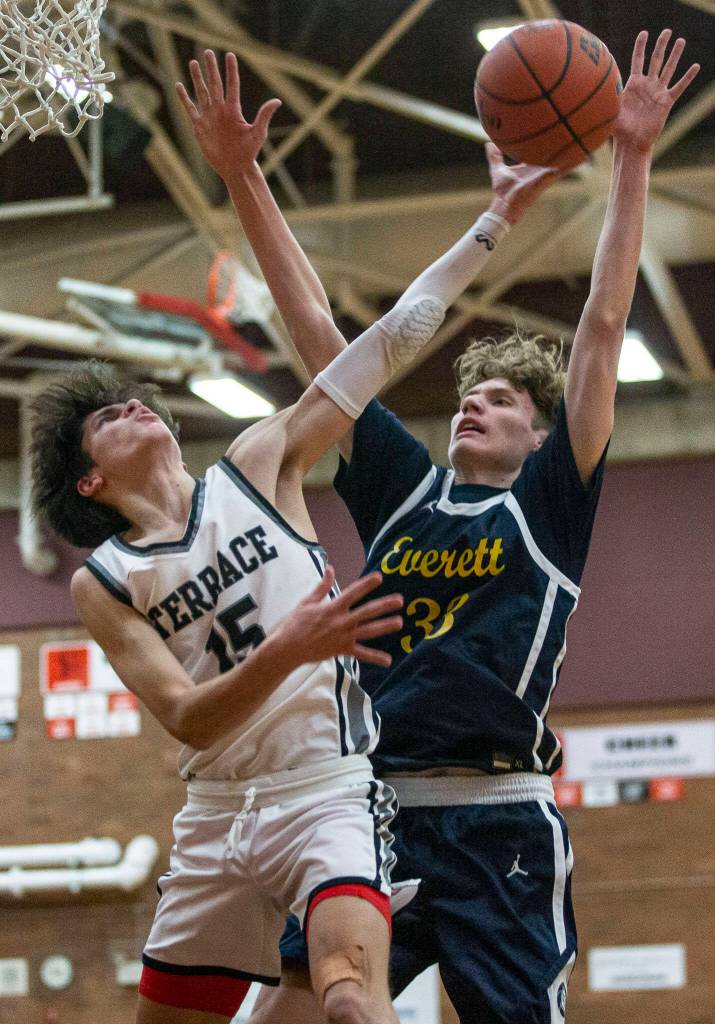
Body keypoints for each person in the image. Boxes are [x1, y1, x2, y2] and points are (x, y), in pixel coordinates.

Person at [179, 30, 700, 1024]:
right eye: (470, 393)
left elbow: (597, 325)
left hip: (495, 814)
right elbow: (320, 338)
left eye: (502, 400)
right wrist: (245, 177)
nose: (475, 404)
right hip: (367, 805)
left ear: (542, 433)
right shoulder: (402, 486)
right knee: (292, 1011)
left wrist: (629, 160)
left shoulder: (547, 502)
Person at [27, 51, 558, 1024]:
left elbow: (386, 338)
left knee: (349, 998)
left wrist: (495, 222)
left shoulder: (261, 460)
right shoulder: (107, 576)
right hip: (219, 810)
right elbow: (187, 716)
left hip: (330, 787)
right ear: (91, 480)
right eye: (107, 418)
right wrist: (295, 646)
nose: (134, 404)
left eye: (133, 397)